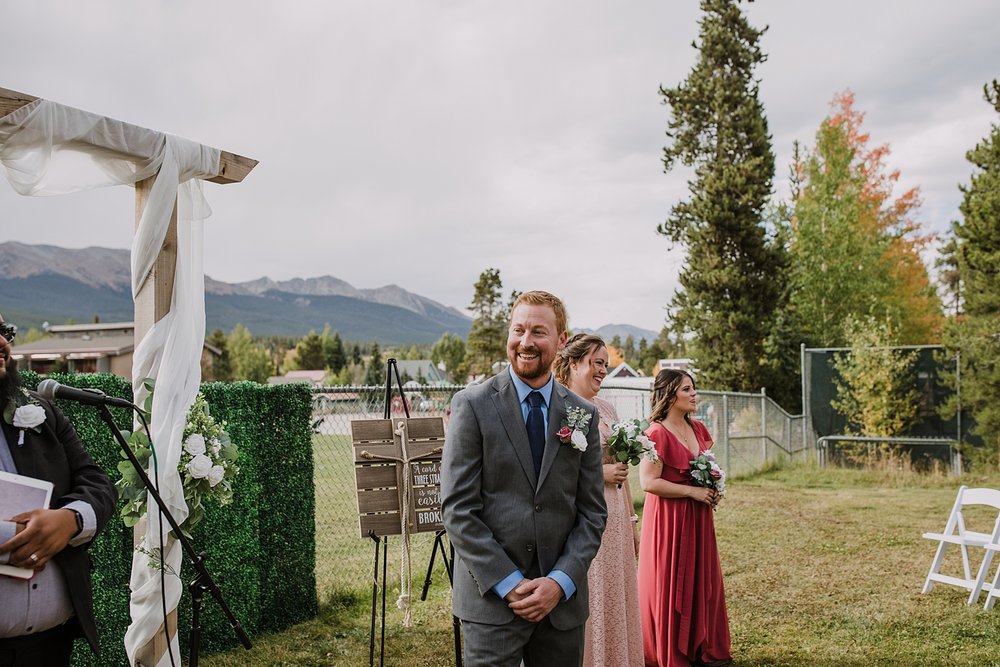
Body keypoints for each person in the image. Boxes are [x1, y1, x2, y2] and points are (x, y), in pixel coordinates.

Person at [440, 291, 607, 667]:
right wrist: (509, 582)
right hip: (491, 603)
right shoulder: (473, 405)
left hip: (560, 608)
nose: (525, 342)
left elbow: (593, 513)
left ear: (562, 340)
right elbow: (458, 509)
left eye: (538, 331)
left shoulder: (582, 414)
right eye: (518, 330)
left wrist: (560, 581)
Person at [0, 314, 118, 667]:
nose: (1, 343)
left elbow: (96, 481)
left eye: (4, 332)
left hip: (50, 646)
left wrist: (70, 521)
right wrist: (15, 535)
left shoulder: (40, 412)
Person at [554, 333, 642, 667]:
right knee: (591, 589)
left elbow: (623, 472)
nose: (603, 370)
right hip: (581, 516)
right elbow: (555, 473)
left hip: (616, 514)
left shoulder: (607, 409)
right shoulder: (560, 407)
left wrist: (632, 521)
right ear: (574, 363)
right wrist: (599, 475)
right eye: (597, 363)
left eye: (605, 364)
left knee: (616, 590)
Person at [638, 369, 731, 667]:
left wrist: (714, 487)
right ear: (669, 394)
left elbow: (709, 468)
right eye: (687, 389)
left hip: (699, 518)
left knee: (701, 577)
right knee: (670, 579)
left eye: (694, 389)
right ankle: (669, 650)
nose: (694, 394)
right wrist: (691, 493)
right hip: (669, 519)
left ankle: (701, 645)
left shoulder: (699, 428)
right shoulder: (655, 433)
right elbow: (648, 483)